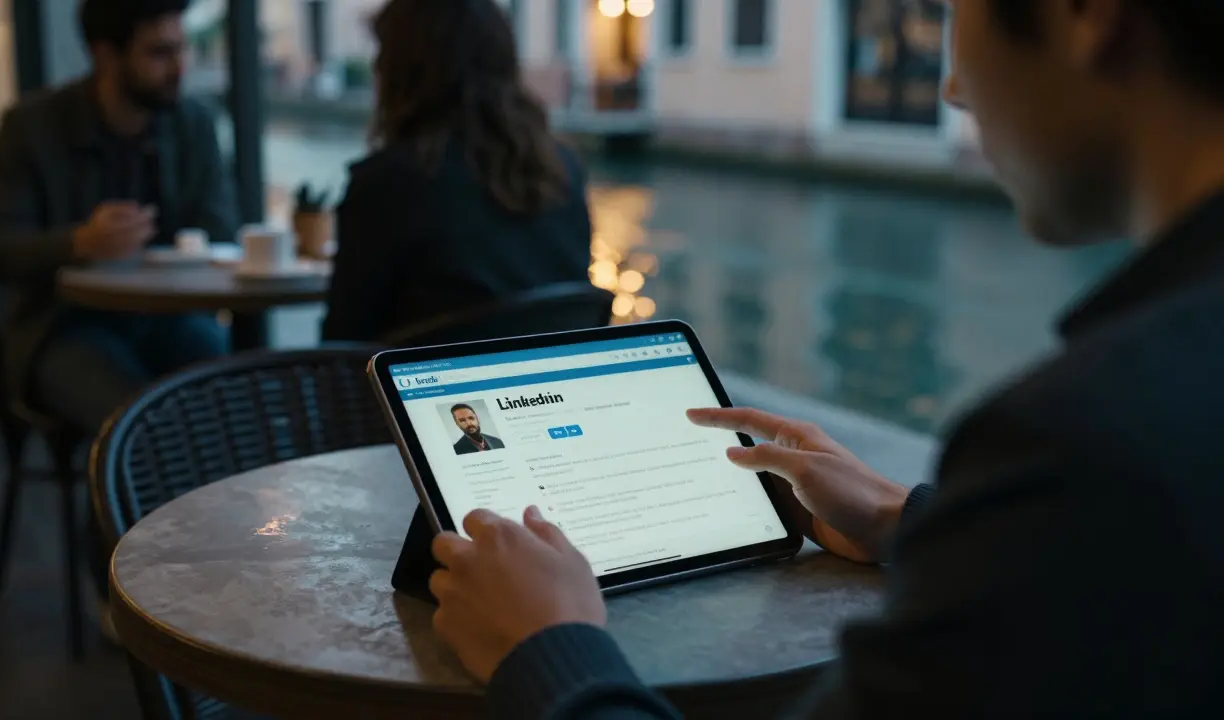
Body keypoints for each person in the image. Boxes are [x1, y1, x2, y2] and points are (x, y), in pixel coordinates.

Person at [425, 1, 1224, 717]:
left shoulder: (1088, 440)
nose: (952, 88)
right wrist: (908, 520)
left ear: (1087, 14)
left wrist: (548, 650)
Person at [0, 0, 235, 619]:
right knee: (136, 413)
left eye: (181, 48)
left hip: (167, 321)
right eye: (159, 52)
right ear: (105, 55)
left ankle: (206, 574)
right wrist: (76, 243)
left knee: (223, 389)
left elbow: (221, 227)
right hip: (61, 329)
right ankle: (127, 591)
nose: (179, 68)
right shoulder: (32, 127)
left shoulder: (190, 123)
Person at [320, 0, 592, 344]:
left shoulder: (387, 184)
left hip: (426, 396)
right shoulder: (563, 169)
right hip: (554, 389)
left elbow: (344, 341)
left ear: (401, 70)